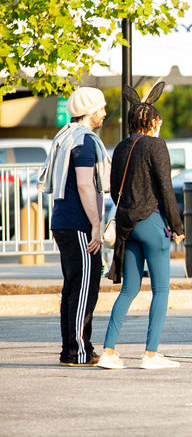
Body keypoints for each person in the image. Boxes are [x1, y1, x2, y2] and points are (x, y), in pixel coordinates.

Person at [97, 84, 185, 370]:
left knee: (128, 290)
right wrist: (177, 225)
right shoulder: (156, 145)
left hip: (126, 225)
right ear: (153, 122)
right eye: (157, 121)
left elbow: (113, 189)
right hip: (151, 222)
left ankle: (108, 352)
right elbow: (165, 188)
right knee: (160, 290)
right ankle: (151, 354)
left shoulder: (121, 146)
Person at [39, 86, 111, 366]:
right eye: (101, 108)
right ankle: (78, 351)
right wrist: (96, 224)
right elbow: (84, 184)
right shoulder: (85, 141)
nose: (104, 114)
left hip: (63, 222)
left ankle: (72, 349)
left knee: (72, 288)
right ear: (91, 111)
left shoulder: (65, 136)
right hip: (78, 223)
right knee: (84, 289)